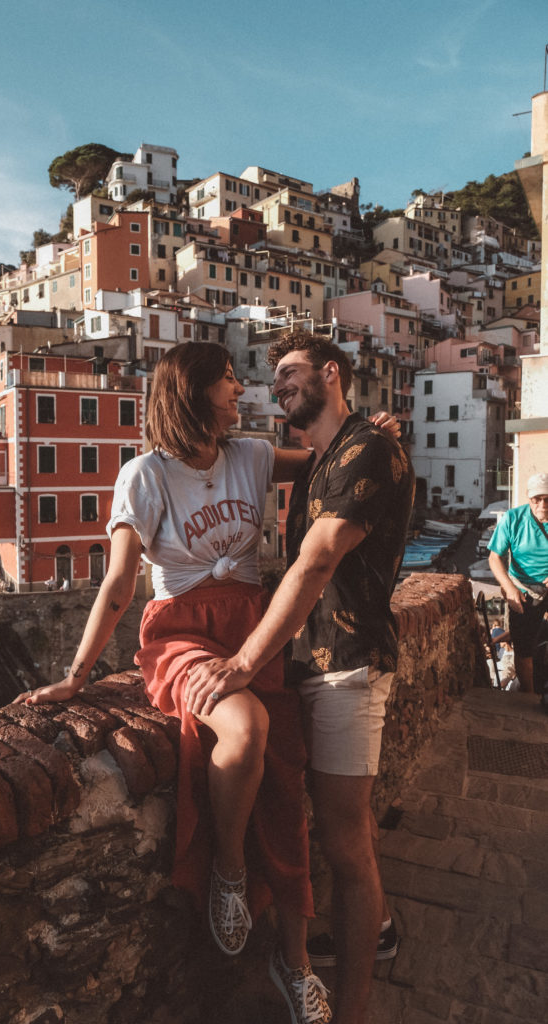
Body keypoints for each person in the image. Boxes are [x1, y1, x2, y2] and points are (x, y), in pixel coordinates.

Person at [13, 343, 341, 1023]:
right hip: (181, 633)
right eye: (227, 381)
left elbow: (328, 460)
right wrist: (76, 678)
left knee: (285, 784)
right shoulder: (145, 476)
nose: (240, 391)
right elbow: (120, 582)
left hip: (251, 630)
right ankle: (226, 868)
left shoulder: (250, 456)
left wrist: (372, 434)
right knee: (246, 729)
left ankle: (296, 963)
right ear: (193, 391)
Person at [187, 331, 414, 1024]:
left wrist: (242, 662)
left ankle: (349, 1011)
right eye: (270, 376)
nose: (274, 384)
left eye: (289, 373)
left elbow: (315, 564)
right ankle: (369, 931)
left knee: (344, 843)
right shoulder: (321, 458)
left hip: (346, 670)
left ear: (330, 373)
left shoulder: (365, 450)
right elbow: (219, 458)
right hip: (309, 669)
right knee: (339, 833)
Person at [488, 473, 548, 696]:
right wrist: (510, 588)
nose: (542, 504)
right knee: (523, 649)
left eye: (547, 499)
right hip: (523, 590)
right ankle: (530, 698)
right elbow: (495, 557)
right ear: (529, 498)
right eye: (537, 499)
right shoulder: (513, 519)